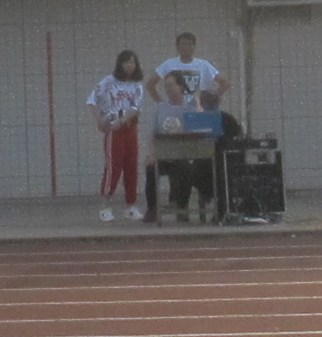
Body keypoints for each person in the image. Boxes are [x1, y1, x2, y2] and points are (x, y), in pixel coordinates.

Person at [149, 33, 227, 223]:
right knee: (174, 161)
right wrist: (163, 105)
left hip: (194, 115)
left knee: (201, 162)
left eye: (190, 44)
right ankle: (172, 206)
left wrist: (210, 99)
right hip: (174, 122)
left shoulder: (203, 65)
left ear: (194, 46)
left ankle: (203, 201)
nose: (186, 47)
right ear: (177, 46)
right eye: (182, 44)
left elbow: (224, 82)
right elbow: (150, 84)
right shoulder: (169, 64)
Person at [90, 49, 147, 220]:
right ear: (120, 64)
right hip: (114, 130)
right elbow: (92, 100)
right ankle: (105, 206)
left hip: (129, 128)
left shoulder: (137, 85)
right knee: (113, 167)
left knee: (131, 166)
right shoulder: (108, 81)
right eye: (126, 62)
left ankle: (131, 205)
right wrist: (100, 120)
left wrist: (122, 122)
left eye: (132, 62)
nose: (130, 65)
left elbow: (135, 109)